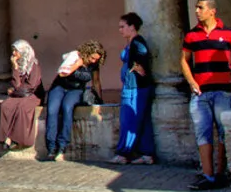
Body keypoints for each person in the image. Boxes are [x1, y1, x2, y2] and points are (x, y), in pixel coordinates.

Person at [181, 0, 231, 191]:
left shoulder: (228, 34)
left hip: (222, 92)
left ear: (212, 11)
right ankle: (208, 175)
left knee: (223, 132)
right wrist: (191, 80)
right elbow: (184, 60)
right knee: (202, 134)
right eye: (196, 7)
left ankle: (221, 173)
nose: (197, 11)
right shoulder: (191, 35)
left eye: (200, 8)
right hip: (200, 93)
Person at [43, 40, 105, 161]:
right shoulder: (74, 57)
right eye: (92, 58)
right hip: (59, 86)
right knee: (52, 110)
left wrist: (100, 98)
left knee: (67, 108)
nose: (94, 61)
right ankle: (51, 146)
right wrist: (77, 65)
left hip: (76, 89)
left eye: (96, 59)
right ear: (87, 53)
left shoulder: (93, 65)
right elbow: (62, 73)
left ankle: (62, 145)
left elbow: (96, 82)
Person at [115, 12, 156, 164]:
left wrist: (138, 69)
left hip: (135, 88)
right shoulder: (133, 42)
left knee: (129, 119)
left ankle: (123, 154)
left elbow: (141, 57)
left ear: (132, 27)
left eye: (122, 27)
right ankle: (147, 154)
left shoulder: (137, 42)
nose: (120, 30)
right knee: (143, 120)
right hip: (136, 86)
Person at [0, 40, 43, 158]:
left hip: (32, 95)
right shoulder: (18, 64)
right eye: (13, 50)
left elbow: (31, 86)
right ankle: (4, 140)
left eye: (16, 51)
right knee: (6, 106)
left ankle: (18, 139)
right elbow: (16, 83)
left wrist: (15, 90)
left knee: (22, 108)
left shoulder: (33, 65)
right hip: (20, 93)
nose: (14, 53)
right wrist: (15, 67)